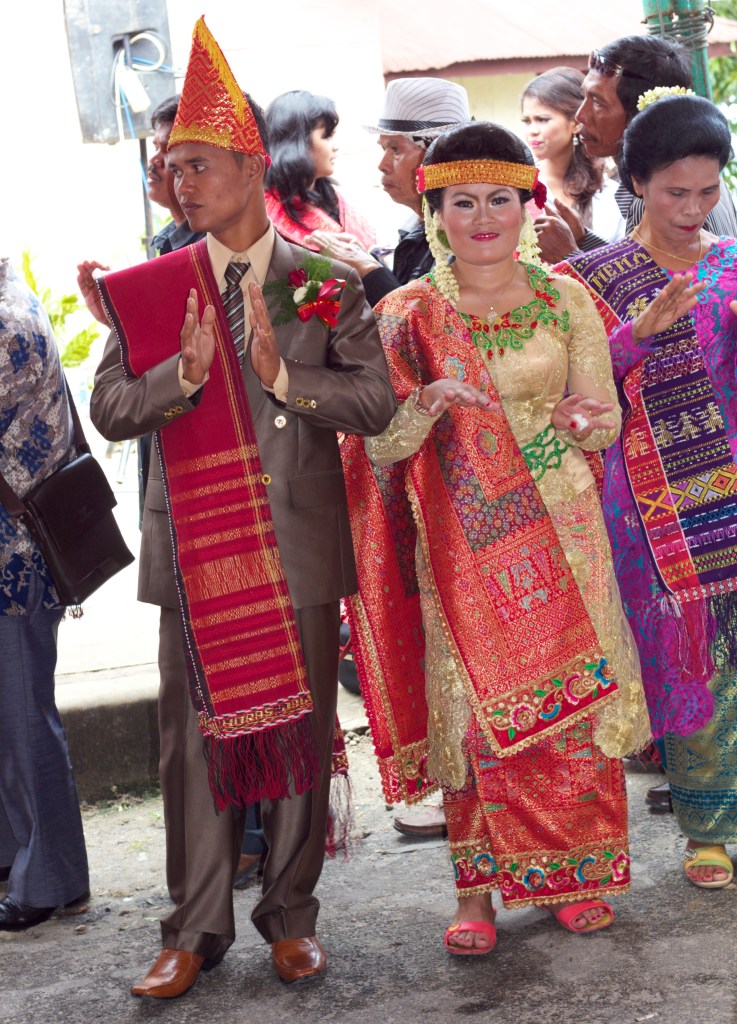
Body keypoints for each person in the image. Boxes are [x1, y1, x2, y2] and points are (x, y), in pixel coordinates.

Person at [88, 18, 395, 997]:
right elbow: (110, 408)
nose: (181, 182)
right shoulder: (149, 290)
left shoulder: (321, 283)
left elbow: (376, 403)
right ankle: (192, 927)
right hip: (195, 545)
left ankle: (291, 918)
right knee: (190, 745)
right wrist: (178, 380)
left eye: (199, 165)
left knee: (299, 734)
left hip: (293, 540)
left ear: (252, 165)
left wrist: (283, 379)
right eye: (172, 167)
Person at [343, 121, 649, 955]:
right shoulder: (405, 316)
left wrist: (582, 421)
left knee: (571, 702)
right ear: (433, 212)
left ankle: (574, 876)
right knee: (476, 712)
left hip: (565, 525)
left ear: (527, 206)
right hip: (458, 540)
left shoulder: (565, 299)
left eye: (499, 201)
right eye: (462, 203)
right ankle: (474, 892)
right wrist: (425, 404)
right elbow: (377, 446)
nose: (482, 218)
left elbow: (603, 419)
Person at [556, 92, 737, 889]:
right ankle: (708, 829)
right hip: (649, 510)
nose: (692, 210)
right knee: (691, 665)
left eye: (707, 191)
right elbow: (568, 395)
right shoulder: (582, 283)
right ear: (635, 182)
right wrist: (638, 334)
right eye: (674, 193)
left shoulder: (730, 266)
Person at [0, 258, 89, 930]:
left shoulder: (6, 321)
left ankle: (53, 879)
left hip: (16, 558)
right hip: (17, 552)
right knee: (13, 716)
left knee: (25, 715)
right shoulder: (12, 295)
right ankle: (18, 859)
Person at [535, 35, 737, 262]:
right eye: (585, 97)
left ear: (639, 117)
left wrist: (570, 257)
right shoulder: (701, 171)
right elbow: (643, 262)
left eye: (598, 102)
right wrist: (583, 240)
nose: (581, 115)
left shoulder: (655, 191)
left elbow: (661, 280)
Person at [306, 77, 470, 307]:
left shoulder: (469, 233)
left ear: (435, 157)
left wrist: (368, 268)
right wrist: (366, 259)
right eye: (384, 149)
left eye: (395, 149)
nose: (382, 165)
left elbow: (424, 322)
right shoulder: (418, 226)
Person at [521, 66, 625, 261]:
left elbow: (622, 264)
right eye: (526, 121)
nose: (532, 130)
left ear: (576, 122)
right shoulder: (520, 191)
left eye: (542, 119)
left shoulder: (611, 195)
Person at [264, 89, 375, 251]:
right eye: (327, 136)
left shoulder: (334, 199)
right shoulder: (265, 217)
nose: (336, 147)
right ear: (297, 142)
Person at [148, 95, 206, 257]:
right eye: (156, 147)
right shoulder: (168, 239)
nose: (154, 160)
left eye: (168, 150)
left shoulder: (207, 250)